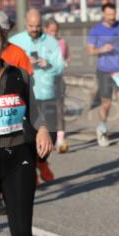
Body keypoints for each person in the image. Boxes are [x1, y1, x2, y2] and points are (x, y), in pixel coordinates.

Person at [1, 11, 53, 236]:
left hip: (18, 156)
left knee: (21, 230)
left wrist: (43, 128)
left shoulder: (18, 75)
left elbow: (35, 110)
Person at [9, 9, 64, 183]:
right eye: (31, 26)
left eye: (38, 26)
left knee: (51, 136)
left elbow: (60, 67)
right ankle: (31, 171)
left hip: (46, 94)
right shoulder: (15, 41)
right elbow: (6, 67)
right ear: (25, 23)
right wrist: (25, 64)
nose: (34, 29)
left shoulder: (51, 42)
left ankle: (42, 161)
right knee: (28, 138)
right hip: (25, 97)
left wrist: (48, 64)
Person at [86, 2, 119, 147]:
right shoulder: (96, 30)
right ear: (103, 14)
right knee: (106, 103)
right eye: (108, 14)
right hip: (104, 71)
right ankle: (102, 130)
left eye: (113, 14)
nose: (112, 17)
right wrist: (102, 49)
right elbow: (90, 50)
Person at [44, 18, 70, 153]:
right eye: (51, 31)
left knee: (60, 109)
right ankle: (47, 137)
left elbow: (67, 57)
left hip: (58, 80)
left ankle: (60, 140)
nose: (54, 33)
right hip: (43, 82)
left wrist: (64, 62)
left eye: (56, 31)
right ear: (45, 30)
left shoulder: (62, 42)